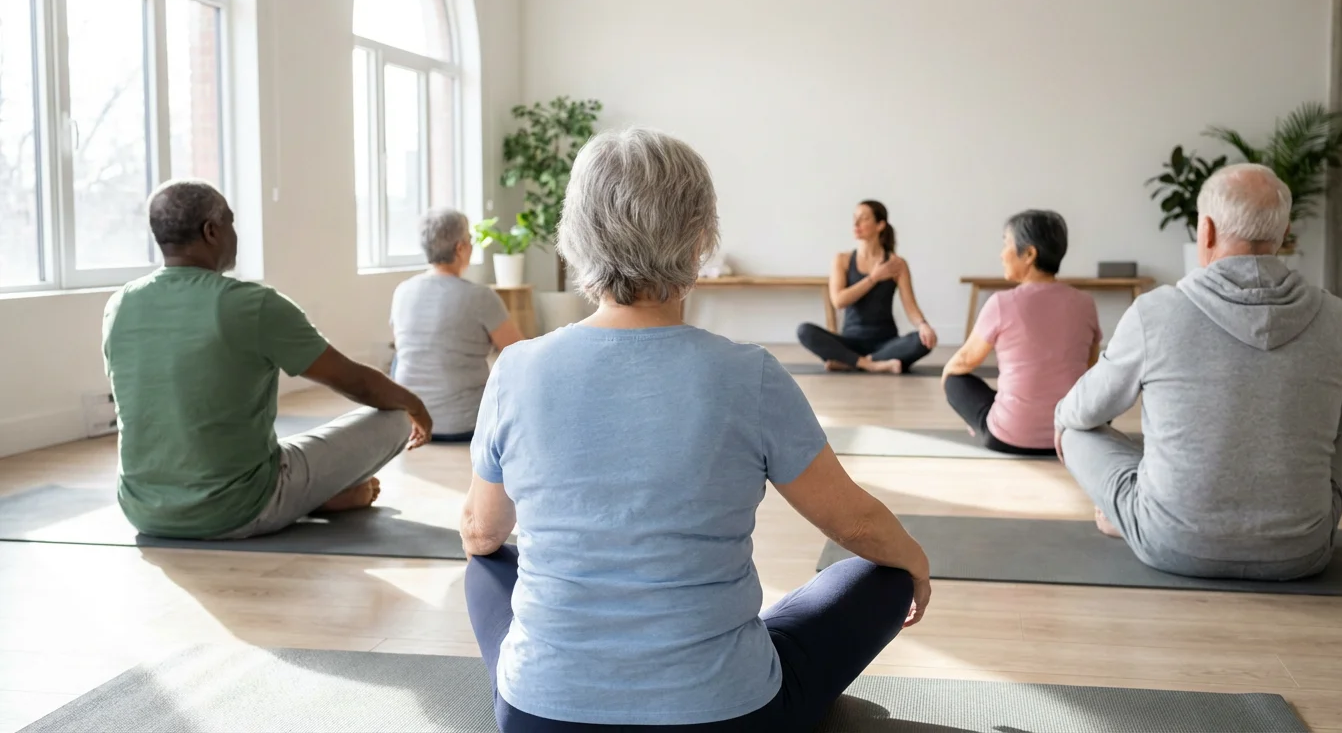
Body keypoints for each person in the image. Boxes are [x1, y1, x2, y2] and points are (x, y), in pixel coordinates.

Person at [461, 129, 932, 731]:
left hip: (540, 718)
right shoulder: (749, 374)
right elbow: (856, 524)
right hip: (729, 716)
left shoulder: (517, 369)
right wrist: (915, 561)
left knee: (489, 564)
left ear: (574, 235)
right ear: (701, 238)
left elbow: (481, 530)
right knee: (883, 572)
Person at [1055, 164, 1342, 580]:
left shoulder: (1155, 312)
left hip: (1169, 544)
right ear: (1285, 233)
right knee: (1337, 438)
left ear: (1206, 231)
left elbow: (1082, 411)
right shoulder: (1337, 317)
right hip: (1301, 553)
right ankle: (1140, 513)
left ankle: (1131, 516)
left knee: (1073, 429)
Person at [102, 179, 433, 541]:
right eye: (230, 221)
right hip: (239, 509)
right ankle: (308, 499)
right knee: (396, 417)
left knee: (279, 447)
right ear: (211, 231)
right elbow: (353, 381)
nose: (235, 233)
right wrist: (415, 404)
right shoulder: (251, 304)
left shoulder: (120, 304)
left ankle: (313, 496)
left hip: (143, 511)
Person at [941, 210, 1100, 455]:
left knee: (955, 380)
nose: (1001, 254)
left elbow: (964, 361)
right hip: (1071, 435)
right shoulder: (1085, 303)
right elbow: (1091, 367)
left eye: (1006, 243)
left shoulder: (1001, 303)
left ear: (1029, 254)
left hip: (1010, 437)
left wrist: (947, 381)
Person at [391, 208, 523, 442]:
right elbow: (520, 352)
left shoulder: (402, 291)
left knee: (401, 358)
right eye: (470, 241)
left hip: (409, 424)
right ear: (460, 248)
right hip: (465, 424)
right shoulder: (481, 297)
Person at [796, 200, 938, 373]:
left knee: (924, 339)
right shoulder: (842, 260)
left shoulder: (897, 264)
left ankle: (854, 362)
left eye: (863, 219)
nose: (856, 224)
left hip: (886, 343)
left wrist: (923, 325)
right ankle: (871, 364)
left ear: (880, 225)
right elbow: (839, 301)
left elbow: (911, 307)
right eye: (854, 218)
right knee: (804, 331)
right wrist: (873, 278)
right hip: (850, 342)